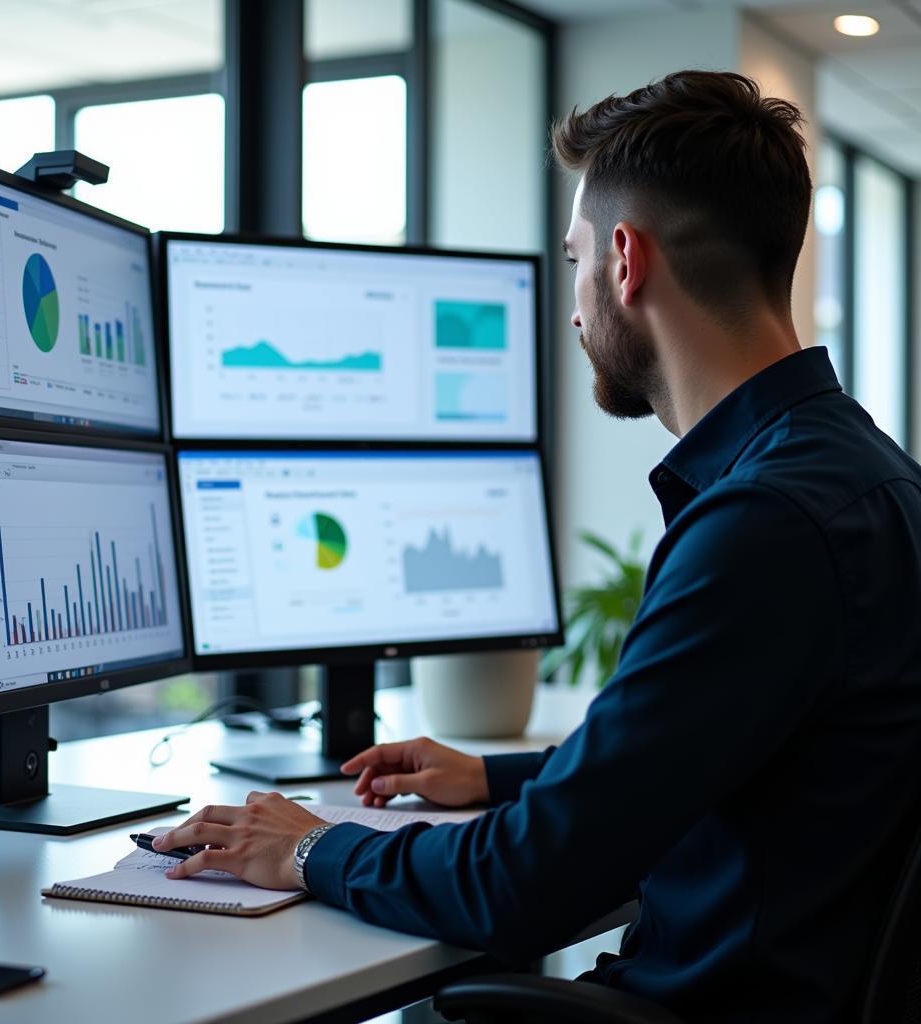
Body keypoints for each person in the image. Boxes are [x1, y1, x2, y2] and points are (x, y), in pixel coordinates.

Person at [153, 70, 921, 1023]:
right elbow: (723, 758)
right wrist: (495, 776)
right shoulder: (861, 474)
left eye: (574, 261)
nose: (573, 308)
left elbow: (523, 885)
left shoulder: (764, 524)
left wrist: (311, 848)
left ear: (626, 262)